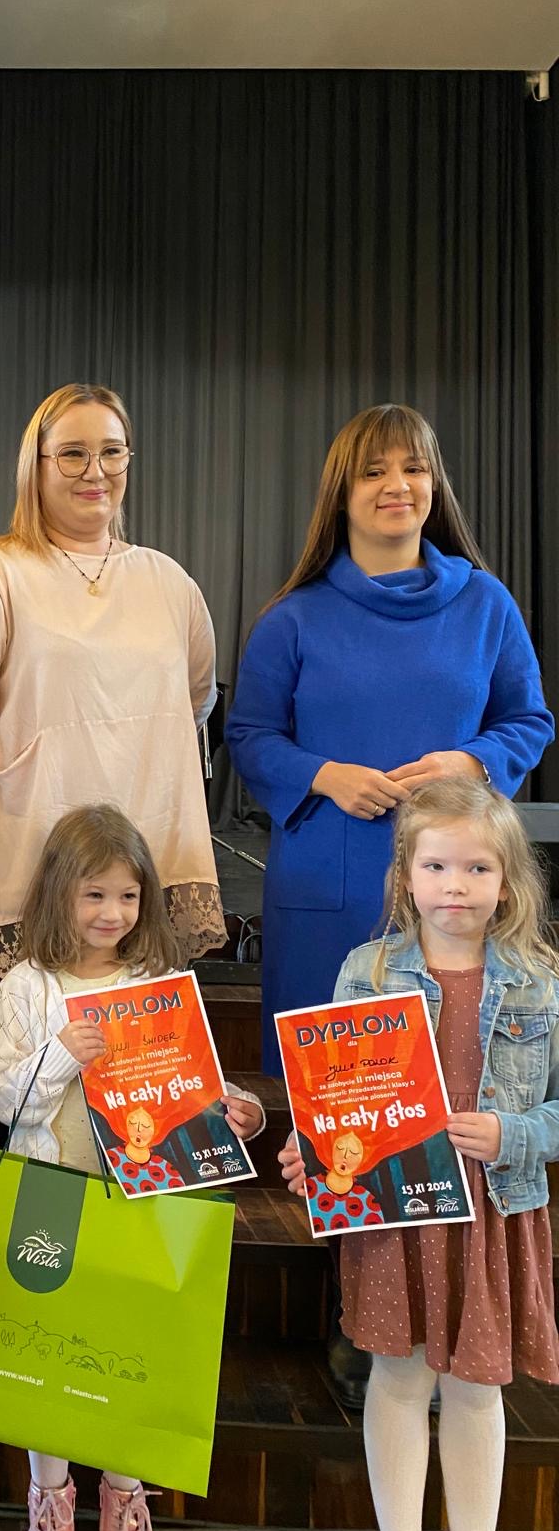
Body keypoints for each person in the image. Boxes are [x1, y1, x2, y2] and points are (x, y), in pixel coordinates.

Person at [226, 403, 553, 1078]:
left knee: (456, 1082)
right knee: (327, 1088)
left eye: (414, 468)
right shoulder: (293, 618)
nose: (397, 485)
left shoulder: (486, 604)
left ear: (435, 485)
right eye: (373, 471)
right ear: (341, 494)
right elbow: (250, 735)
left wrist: (470, 762)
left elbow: (528, 721)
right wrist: (324, 775)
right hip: (327, 887)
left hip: (457, 886)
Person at [279, 777, 559, 1531]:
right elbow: (332, 1097)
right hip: (393, 1215)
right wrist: (311, 1148)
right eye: (436, 866)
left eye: (477, 868)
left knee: (475, 1389)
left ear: (507, 882)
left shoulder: (539, 985)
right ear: (406, 876)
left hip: (492, 1212)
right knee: (397, 1377)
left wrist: (514, 1134)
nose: (455, 885)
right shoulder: (365, 971)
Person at [0, 805, 264, 1531]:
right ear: (59, 892)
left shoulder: (157, 979)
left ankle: (126, 1496)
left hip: (142, 1197)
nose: (113, 912)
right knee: (44, 1346)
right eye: (95, 894)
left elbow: (193, 1083)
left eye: (129, 895)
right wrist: (61, 1053)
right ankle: (49, 1501)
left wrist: (241, 1112)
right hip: (50, 1192)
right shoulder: (27, 987)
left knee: (130, 1344)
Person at [0, 383, 225, 984]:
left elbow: (194, 700)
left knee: (139, 1039)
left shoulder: (168, 581)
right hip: (32, 854)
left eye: (111, 452)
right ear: (35, 465)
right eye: (73, 454)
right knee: (39, 1035)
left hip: (145, 860)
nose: (95, 471)